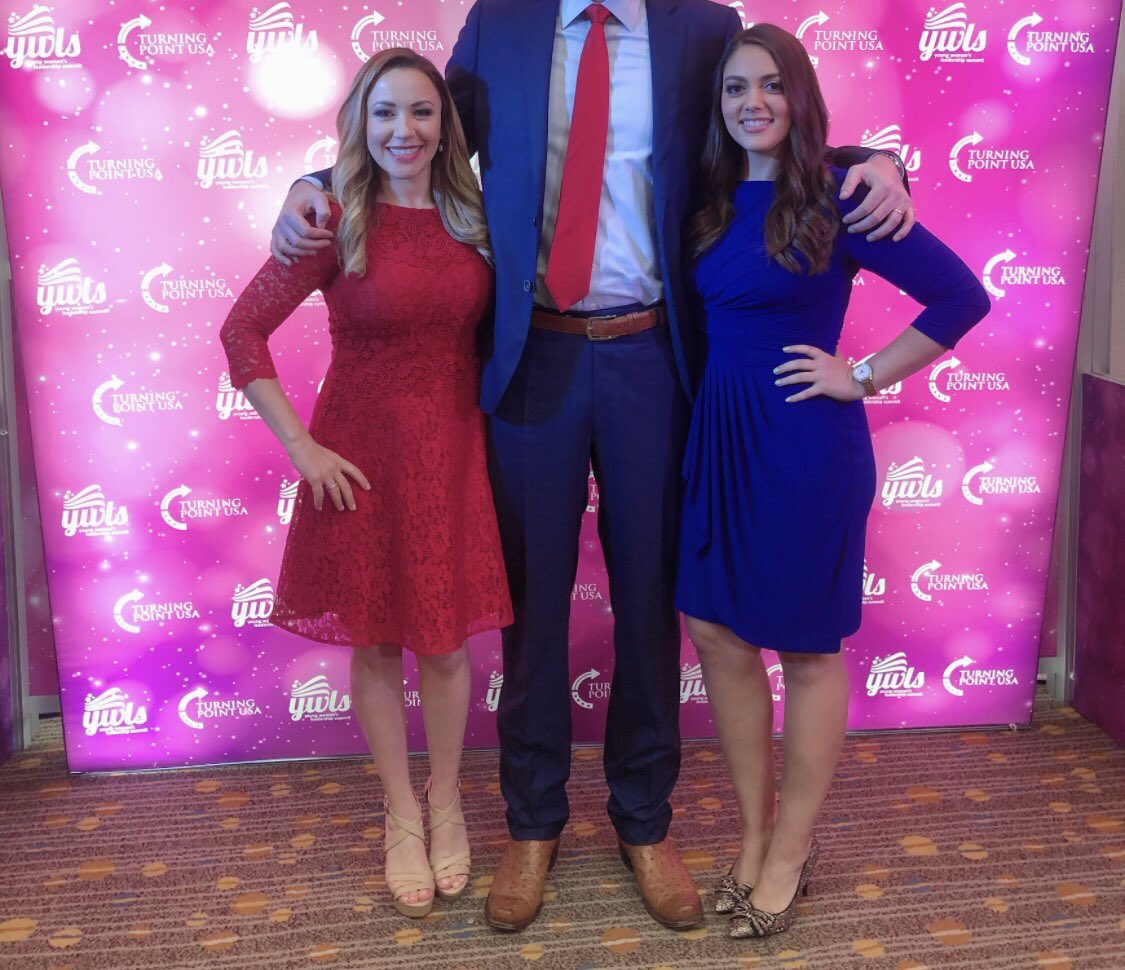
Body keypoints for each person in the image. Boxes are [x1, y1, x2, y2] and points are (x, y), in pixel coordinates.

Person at [270, 0, 915, 933]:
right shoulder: (504, 23)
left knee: (650, 598)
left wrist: (872, 160)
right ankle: (531, 825)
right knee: (530, 600)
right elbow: (420, 132)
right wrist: (314, 180)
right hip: (533, 355)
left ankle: (644, 824)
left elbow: (764, 123)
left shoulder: (703, 27)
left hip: (655, 355)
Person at [676, 23, 990, 939]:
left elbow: (961, 296)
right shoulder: (707, 197)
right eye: (736, 88)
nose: (753, 103)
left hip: (802, 447)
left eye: (771, 85)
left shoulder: (841, 196)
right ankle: (753, 833)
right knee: (715, 632)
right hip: (720, 439)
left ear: (800, 95)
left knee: (807, 651)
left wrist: (863, 375)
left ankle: (790, 849)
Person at [219, 48, 513, 920]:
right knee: (378, 643)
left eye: (421, 112)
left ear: (445, 127)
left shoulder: (477, 217)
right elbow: (242, 332)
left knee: (448, 646)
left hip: (454, 454)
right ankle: (399, 815)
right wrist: (302, 449)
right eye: (384, 112)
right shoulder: (332, 218)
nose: (403, 130)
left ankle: (447, 799)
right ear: (359, 123)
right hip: (361, 461)